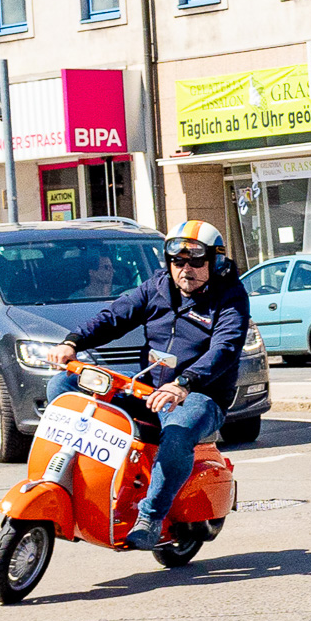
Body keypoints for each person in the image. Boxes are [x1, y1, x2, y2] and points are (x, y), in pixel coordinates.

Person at [45, 221, 250, 550]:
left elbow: (224, 349)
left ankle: (150, 516)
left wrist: (184, 383)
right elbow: (115, 316)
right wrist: (72, 342)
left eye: (196, 261)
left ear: (215, 262)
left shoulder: (230, 297)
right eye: (178, 261)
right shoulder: (157, 286)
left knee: (179, 432)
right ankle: (75, 483)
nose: (186, 269)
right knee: (63, 385)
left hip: (199, 394)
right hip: (148, 386)